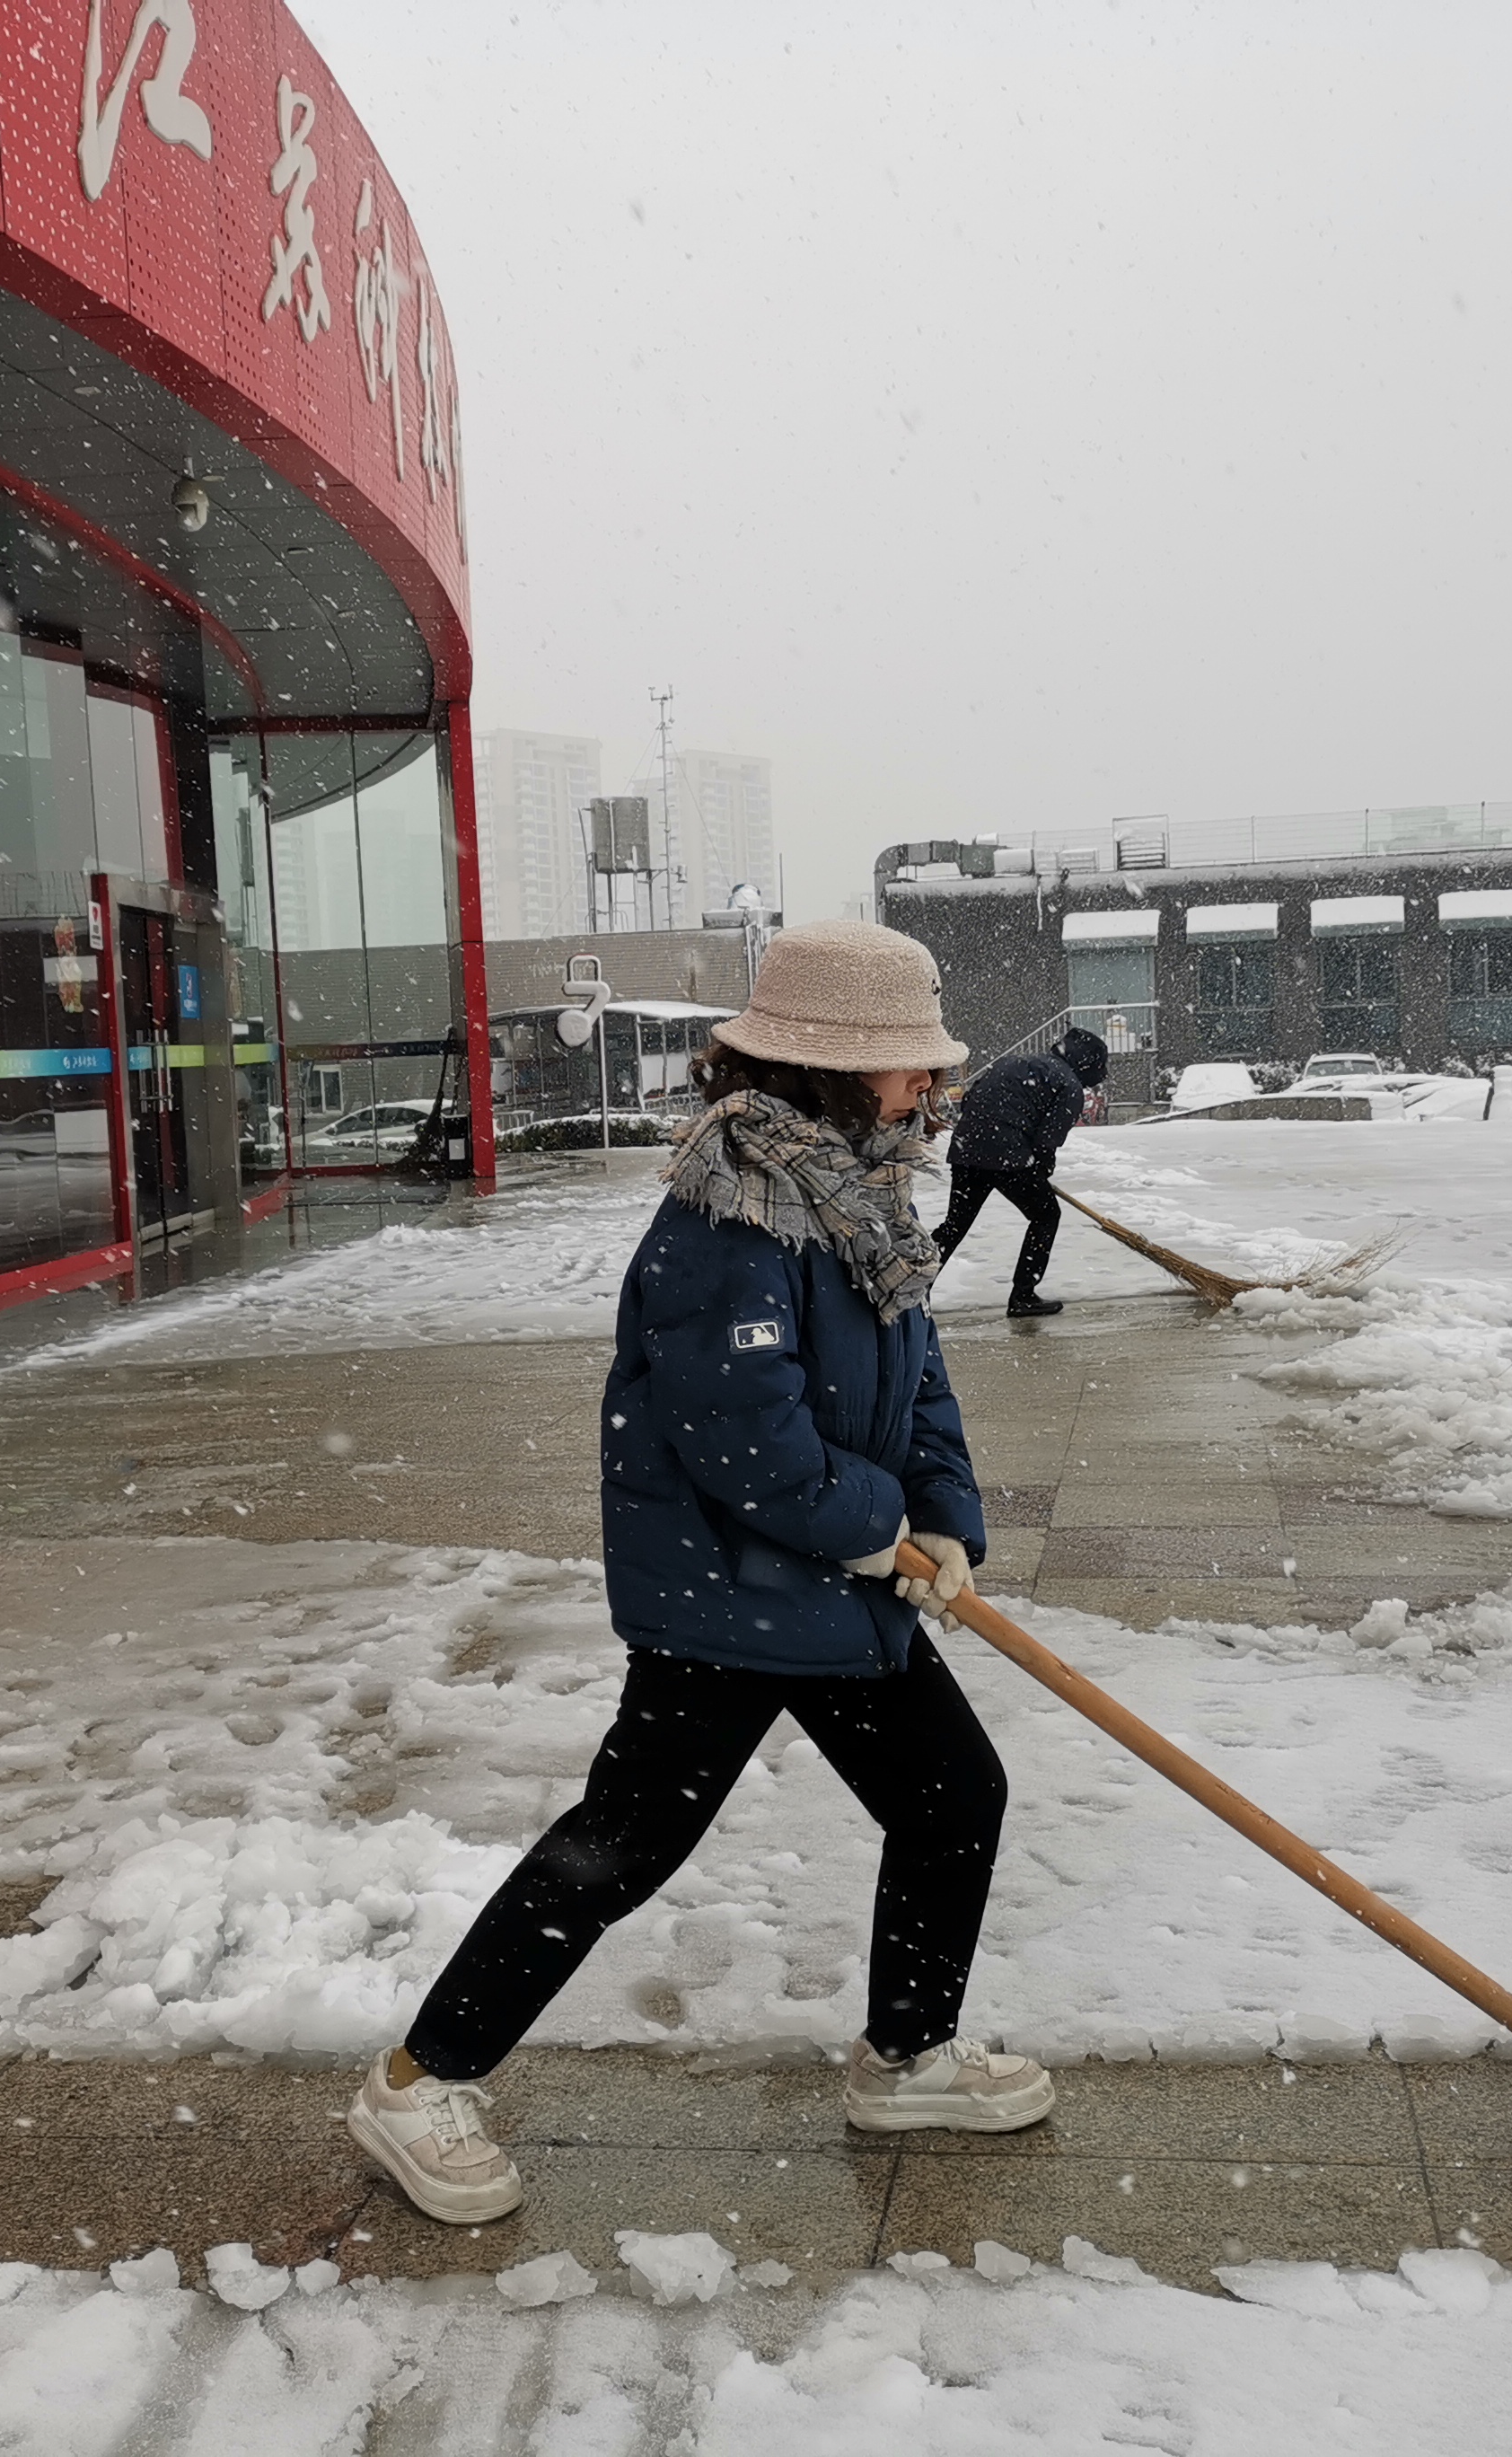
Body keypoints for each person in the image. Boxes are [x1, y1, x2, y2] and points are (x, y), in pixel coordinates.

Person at [348, 919, 1054, 2224]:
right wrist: (868, 1525)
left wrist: (944, 1518)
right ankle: (417, 2082)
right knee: (622, 1847)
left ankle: (907, 2058)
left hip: (841, 1585)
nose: (933, 1080)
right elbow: (741, 1432)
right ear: (833, 1065)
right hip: (726, 1597)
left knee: (954, 1796)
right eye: (910, 1058)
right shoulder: (727, 1216)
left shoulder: (865, 1194)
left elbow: (921, 1380)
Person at [933, 1026, 1111, 1317]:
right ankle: (1023, 1295)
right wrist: (1042, 1167)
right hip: (1007, 1155)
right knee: (1046, 1215)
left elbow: (969, 1100)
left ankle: (912, 1290)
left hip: (968, 1149)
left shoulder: (1015, 1062)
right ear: (1086, 1063)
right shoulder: (1068, 1085)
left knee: (955, 1225)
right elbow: (1047, 1140)